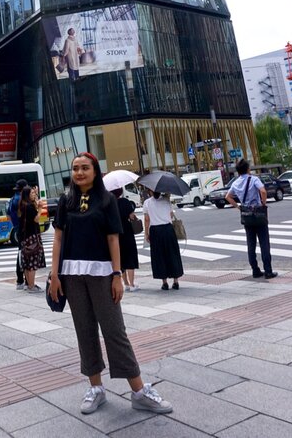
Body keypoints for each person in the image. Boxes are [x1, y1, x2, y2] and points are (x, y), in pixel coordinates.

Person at [49, 152, 173, 416]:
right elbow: (58, 239)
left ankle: (139, 391)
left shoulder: (106, 201)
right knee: (85, 330)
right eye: (75, 169)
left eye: (84, 168)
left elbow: (113, 239)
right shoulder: (65, 201)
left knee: (115, 331)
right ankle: (96, 388)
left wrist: (117, 275)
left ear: (95, 171)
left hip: (103, 274)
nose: (79, 172)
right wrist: (55, 275)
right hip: (72, 276)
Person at [225, 159, 278, 279]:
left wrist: (238, 207)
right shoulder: (254, 179)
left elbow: (227, 196)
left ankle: (255, 270)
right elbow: (263, 191)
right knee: (264, 242)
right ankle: (268, 271)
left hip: (246, 215)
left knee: (251, 243)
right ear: (248, 169)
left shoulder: (235, 183)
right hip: (258, 213)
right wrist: (263, 203)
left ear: (238, 171)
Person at [143, 190, 183, 290]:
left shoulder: (147, 203)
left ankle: (164, 282)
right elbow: (171, 215)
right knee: (172, 254)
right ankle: (176, 281)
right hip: (168, 229)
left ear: (150, 192)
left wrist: (146, 233)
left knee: (159, 256)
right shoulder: (166, 201)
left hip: (156, 231)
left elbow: (147, 219)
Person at [106, 186, 139, 291]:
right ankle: (132, 284)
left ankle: (126, 283)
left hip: (116, 233)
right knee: (130, 257)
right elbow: (132, 216)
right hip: (127, 232)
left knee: (121, 259)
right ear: (120, 192)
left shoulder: (109, 204)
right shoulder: (125, 202)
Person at [18, 185, 46, 292]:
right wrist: (40, 209)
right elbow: (36, 219)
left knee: (27, 262)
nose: (34, 195)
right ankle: (31, 286)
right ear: (27, 195)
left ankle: (29, 284)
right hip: (32, 236)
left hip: (24, 237)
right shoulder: (29, 207)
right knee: (33, 262)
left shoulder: (22, 205)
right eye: (32, 193)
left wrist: (36, 196)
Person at [8, 179, 27, 290]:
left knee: (21, 252)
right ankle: (21, 280)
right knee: (23, 253)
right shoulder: (20, 200)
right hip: (23, 228)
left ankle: (20, 279)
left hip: (17, 228)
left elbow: (8, 215)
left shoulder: (12, 199)